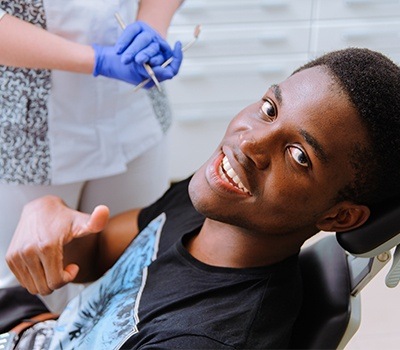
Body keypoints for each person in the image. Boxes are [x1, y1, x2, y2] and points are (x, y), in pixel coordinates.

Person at [5, 47, 400, 349]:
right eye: (269, 109)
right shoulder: (214, 202)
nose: (249, 143)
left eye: (298, 156)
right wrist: (49, 212)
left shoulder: (202, 338)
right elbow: (94, 255)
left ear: (341, 217)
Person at [0, 0, 184, 312]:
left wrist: (152, 28)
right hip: (25, 137)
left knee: (133, 272)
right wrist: (96, 59)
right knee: (28, 291)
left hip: (134, 119)